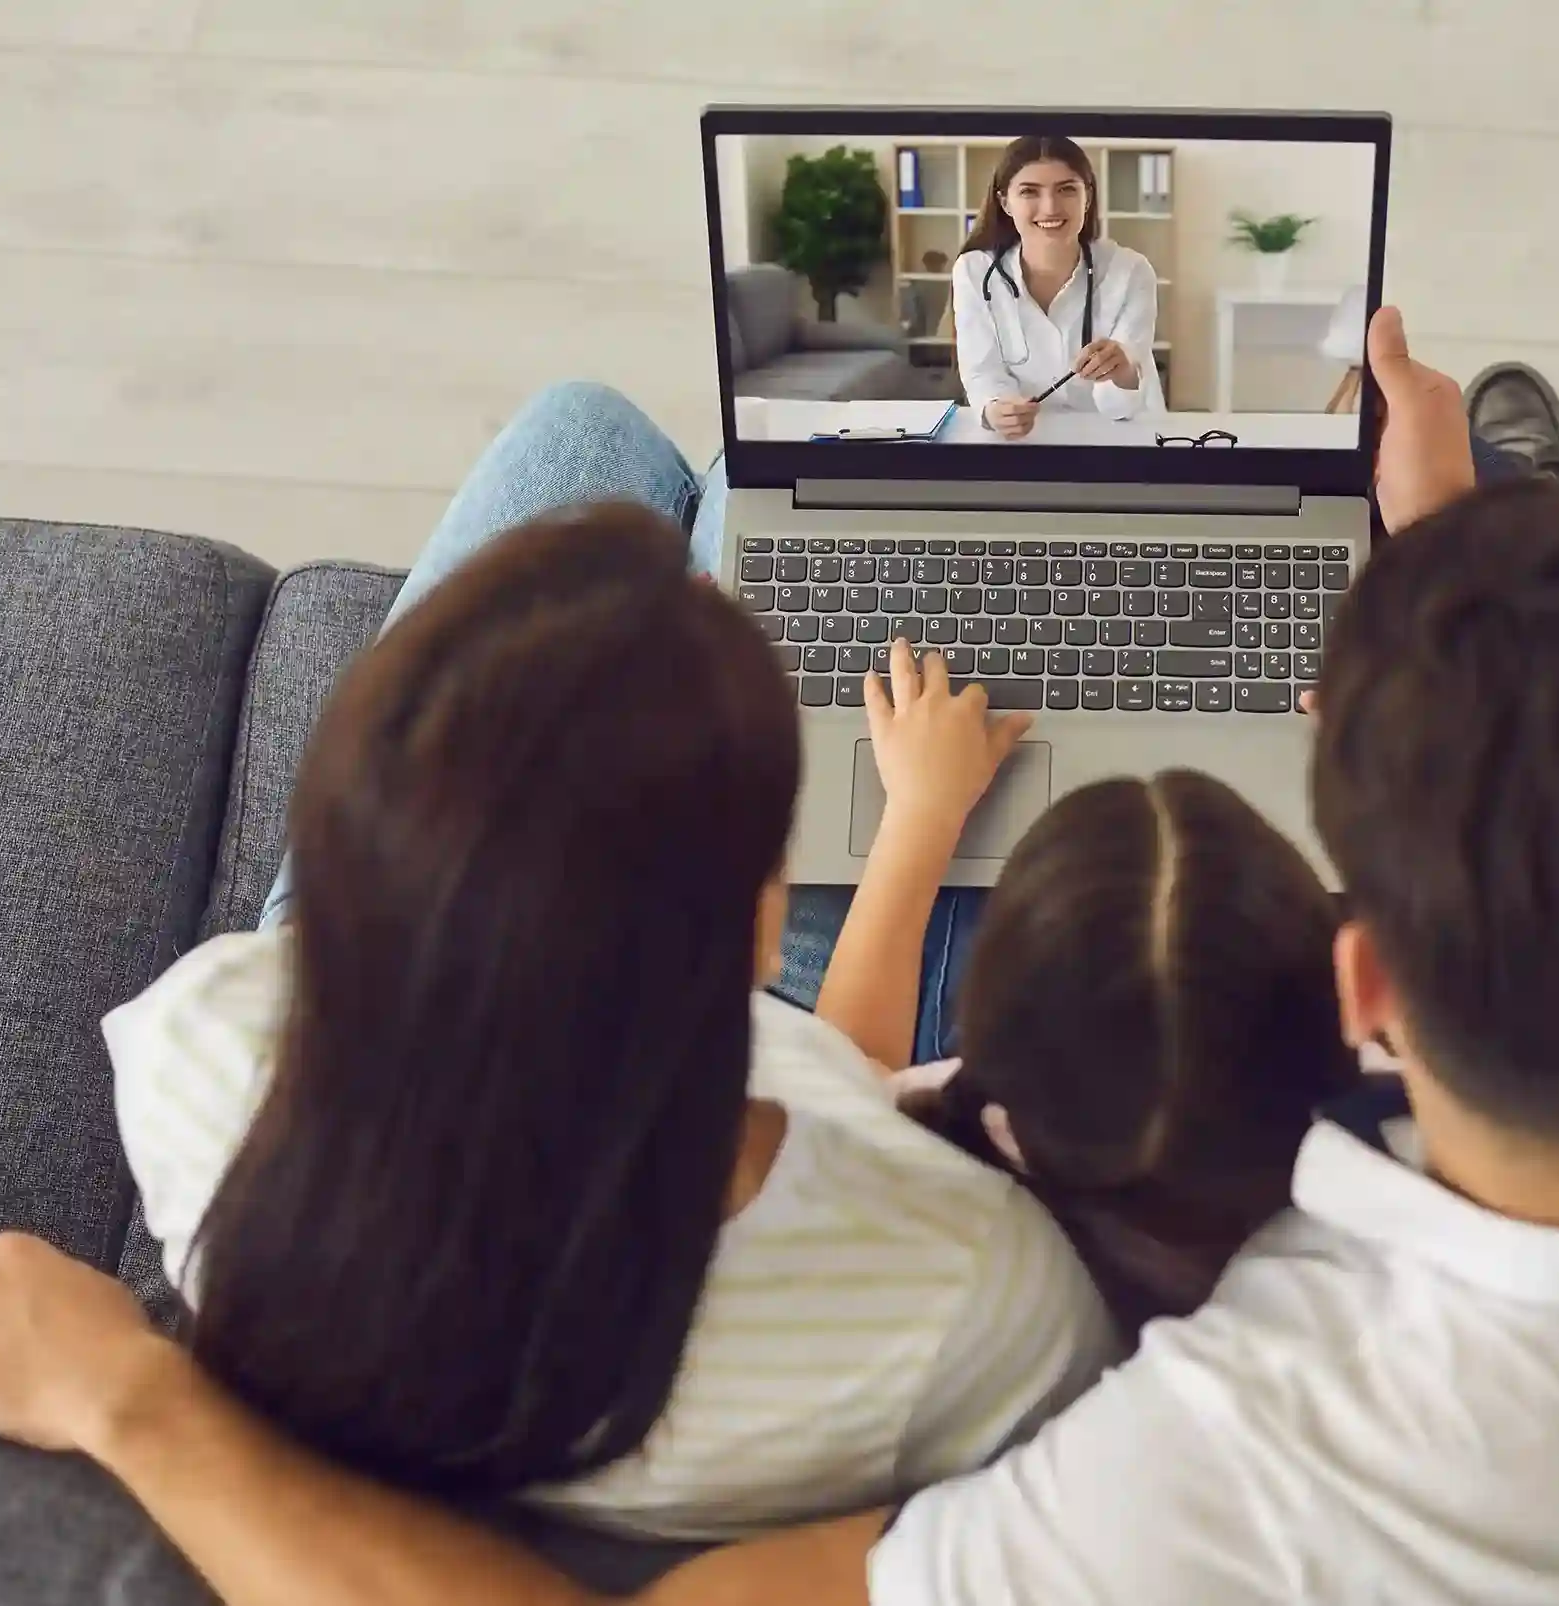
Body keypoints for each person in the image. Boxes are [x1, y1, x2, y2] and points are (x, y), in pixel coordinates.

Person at [0, 311, 1559, 1606]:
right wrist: (1470, 564)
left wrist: (140, 1400)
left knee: (602, 431)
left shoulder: (1215, 1453)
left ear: (1363, 986)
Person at [92, 496, 1118, 1538]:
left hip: (387, 934)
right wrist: (923, 814)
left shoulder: (200, 1042)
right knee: (699, 471)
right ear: (760, 936)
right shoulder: (974, 1297)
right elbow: (842, 1087)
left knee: (619, 450)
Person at [900, 770, 1362, 1331]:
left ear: (1011, 1130)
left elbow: (840, 1067)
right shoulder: (1383, 1224)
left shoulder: (930, 1179)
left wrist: (919, 817)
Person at [951, 134, 1164, 439]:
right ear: (1005, 202)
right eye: (1029, 192)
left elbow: (1121, 408)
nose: (1050, 207)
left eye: (1066, 189)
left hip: (1122, 439)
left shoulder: (1131, 271)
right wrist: (997, 409)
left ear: (1087, 197)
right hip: (1027, 441)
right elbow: (983, 372)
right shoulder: (974, 271)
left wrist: (1122, 372)